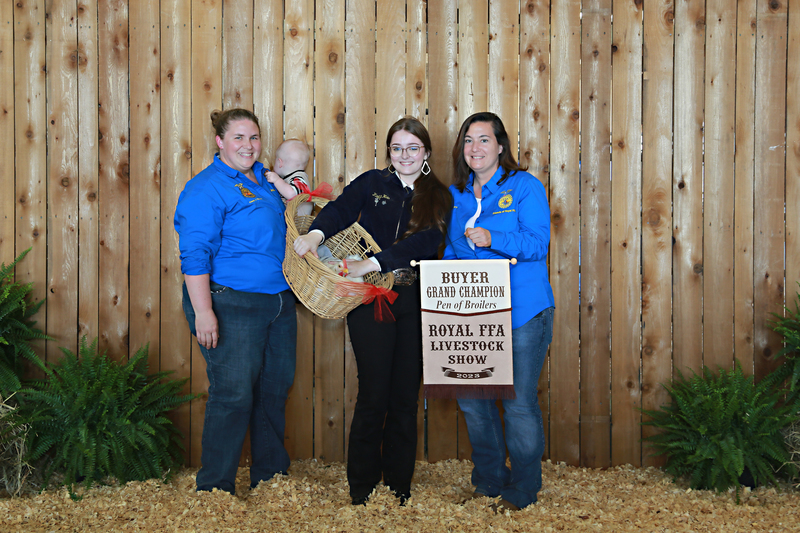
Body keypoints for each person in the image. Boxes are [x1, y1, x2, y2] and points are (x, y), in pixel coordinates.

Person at [293, 116, 452, 506]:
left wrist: (373, 262)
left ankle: (399, 486)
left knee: (405, 397)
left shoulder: (439, 195)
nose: (405, 155)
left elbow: (425, 241)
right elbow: (340, 210)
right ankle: (361, 487)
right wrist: (315, 234)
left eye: (413, 148)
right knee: (373, 393)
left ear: (426, 152)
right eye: (397, 148)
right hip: (371, 298)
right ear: (389, 152)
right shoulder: (372, 183)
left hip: (414, 299)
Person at [174, 108, 297, 495]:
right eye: (239, 138)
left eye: (254, 137)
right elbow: (194, 255)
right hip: (230, 302)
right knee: (233, 394)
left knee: (273, 391)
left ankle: (270, 480)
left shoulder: (265, 180)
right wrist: (203, 312)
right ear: (220, 142)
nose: (248, 145)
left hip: (279, 302)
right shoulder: (206, 188)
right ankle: (215, 488)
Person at [442, 111, 554, 512]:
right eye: (468, 141)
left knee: (518, 403)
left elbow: (537, 243)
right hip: (471, 314)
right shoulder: (454, 195)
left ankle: (523, 489)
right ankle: (489, 481)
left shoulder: (524, 186)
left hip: (523, 312)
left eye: (484, 139)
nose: (475, 148)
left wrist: (494, 237)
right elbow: (451, 251)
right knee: (473, 402)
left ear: (501, 146)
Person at [265, 139, 314, 216]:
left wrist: (277, 180)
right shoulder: (292, 177)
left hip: (298, 221)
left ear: (280, 162)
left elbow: (292, 194)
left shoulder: (299, 178)